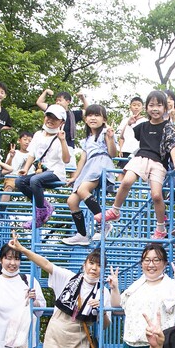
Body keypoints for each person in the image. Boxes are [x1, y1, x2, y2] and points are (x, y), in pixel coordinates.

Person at [95, 90, 175, 240]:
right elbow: (124, 136)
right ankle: (115, 210)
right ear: (146, 108)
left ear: (165, 108)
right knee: (126, 181)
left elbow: (172, 144)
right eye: (151, 105)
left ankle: (161, 228)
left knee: (156, 195)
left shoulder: (168, 126)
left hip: (158, 162)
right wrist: (128, 123)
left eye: (159, 105)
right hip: (141, 157)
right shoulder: (142, 126)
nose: (155, 108)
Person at [61, 104, 117, 246]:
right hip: (88, 167)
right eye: (90, 115)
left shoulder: (105, 133)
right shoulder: (87, 140)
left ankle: (104, 223)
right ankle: (82, 234)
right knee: (71, 201)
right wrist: (75, 177)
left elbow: (112, 154)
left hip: (101, 164)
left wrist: (110, 138)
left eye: (97, 115)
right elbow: (82, 160)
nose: (93, 118)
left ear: (104, 119)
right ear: (85, 119)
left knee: (83, 190)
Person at [16, 105, 70, 227]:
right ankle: (46, 206)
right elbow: (32, 154)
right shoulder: (38, 135)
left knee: (35, 180)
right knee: (20, 181)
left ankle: (39, 214)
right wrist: (25, 169)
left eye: (55, 118)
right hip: (40, 173)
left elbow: (66, 160)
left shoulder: (60, 137)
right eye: (48, 116)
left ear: (62, 122)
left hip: (55, 173)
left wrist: (63, 140)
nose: (50, 120)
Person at [1, 131, 33, 202]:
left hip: (28, 179)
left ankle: (40, 209)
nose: (27, 142)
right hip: (13, 177)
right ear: (19, 140)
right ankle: (1, 210)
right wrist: (11, 157)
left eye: (30, 141)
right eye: (25, 139)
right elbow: (5, 167)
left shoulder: (33, 155)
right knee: (9, 186)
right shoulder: (14, 152)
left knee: (36, 187)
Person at [117, 96, 146, 166]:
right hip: (126, 150)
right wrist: (120, 150)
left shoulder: (146, 121)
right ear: (130, 107)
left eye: (138, 105)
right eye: (134, 105)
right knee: (123, 171)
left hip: (139, 151)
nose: (136, 107)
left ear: (143, 107)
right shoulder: (125, 120)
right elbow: (121, 137)